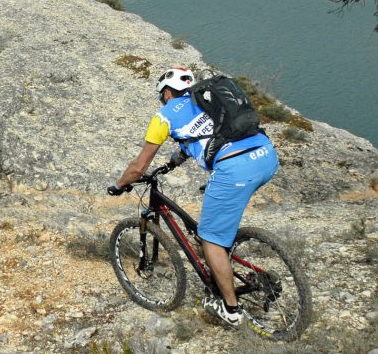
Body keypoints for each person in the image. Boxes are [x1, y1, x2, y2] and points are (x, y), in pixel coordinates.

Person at [107, 66, 278, 327]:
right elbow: (202, 135)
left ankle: (230, 309)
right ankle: (227, 257)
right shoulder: (208, 100)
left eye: (161, 95)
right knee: (217, 222)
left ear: (166, 93)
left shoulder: (163, 116)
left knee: (209, 238)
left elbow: (138, 167)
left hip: (235, 170)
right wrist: (175, 160)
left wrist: (120, 185)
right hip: (265, 155)